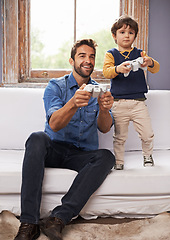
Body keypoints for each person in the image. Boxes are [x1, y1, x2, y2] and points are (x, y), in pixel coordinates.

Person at [14, 39, 115, 240]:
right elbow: (54, 125)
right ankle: (29, 223)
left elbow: (104, 128)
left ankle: (58, 219)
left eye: (92, 56)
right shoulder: (55, 86)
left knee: (106, 157)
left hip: (81, 154)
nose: (88, 60)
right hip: (54, 149)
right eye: (82, 56)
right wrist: (73, 103)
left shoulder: (99, 90)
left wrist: (104, 110)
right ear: (72, 61)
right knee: (36, 138)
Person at [103, 15, 160, 170]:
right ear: (114, 36)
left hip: (138, 103)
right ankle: (119, 161)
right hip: (118, 103)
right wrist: (118, 69)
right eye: (122, 32)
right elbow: (106, 72)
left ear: (135, 35)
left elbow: (156, 68)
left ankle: (147, 155)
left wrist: (150, 62)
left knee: (147, 133)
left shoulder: (141, 53)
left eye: (131, 32)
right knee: (120, 136)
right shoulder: (111, 54)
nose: (127, 35)